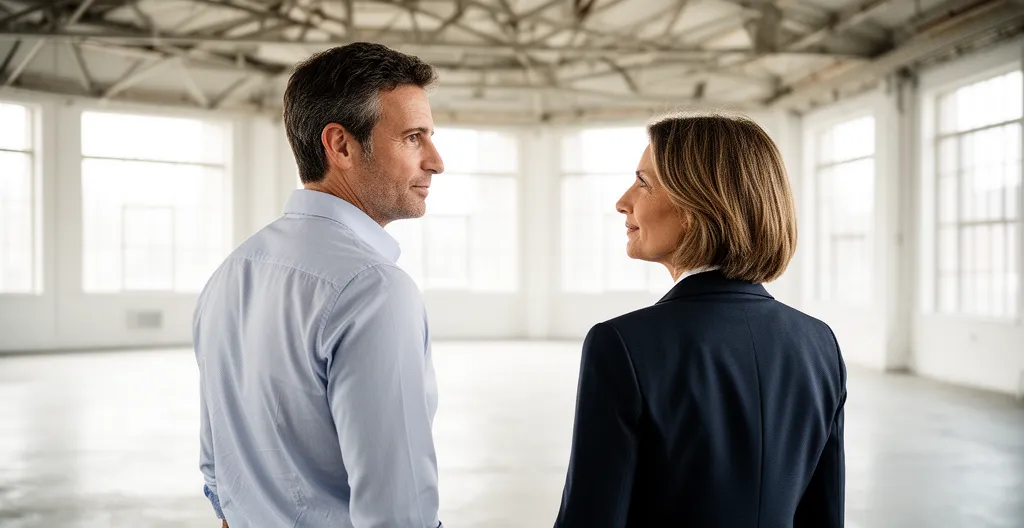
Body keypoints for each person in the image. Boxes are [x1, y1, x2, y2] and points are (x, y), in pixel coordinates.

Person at [192, 43, 445, 528]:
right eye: (414, 137)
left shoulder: (231, 272)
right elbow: (398, 512)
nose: (435, 161)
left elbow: (218, 474)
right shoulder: (373, 290)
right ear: (341, 145)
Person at [554, 114, 847, 527]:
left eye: (643, 182)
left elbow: (592, 517)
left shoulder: (622, 344)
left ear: (696, 206)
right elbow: (825, 516)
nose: (623, 201)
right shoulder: (820, 342)